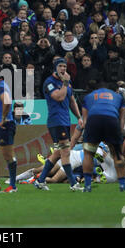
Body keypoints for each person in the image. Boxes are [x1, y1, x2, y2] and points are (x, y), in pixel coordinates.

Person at [34, 58, 84, 192]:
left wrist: (79, 117)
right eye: (60, 66)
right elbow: (59, 97)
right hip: (56, 121)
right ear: (55, 68)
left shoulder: (66, 83)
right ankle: (73, 184)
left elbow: (71, 100)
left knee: (57, 153)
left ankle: (40, 180)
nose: (63, 69)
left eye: (64, 66)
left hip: (65, 121)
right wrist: (66, 82)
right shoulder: (49, 83)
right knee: (65, 152)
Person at [81, 82, 125, 192]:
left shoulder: (88, 97)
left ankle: (87, 186)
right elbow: (122, 117)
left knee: (88, 154)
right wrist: (119, 132)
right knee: (117, 154)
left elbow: (85, 120)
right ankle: (122, 185)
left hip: (94, 121)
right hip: (112, 120)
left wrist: (88, 135)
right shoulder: (118, 96)